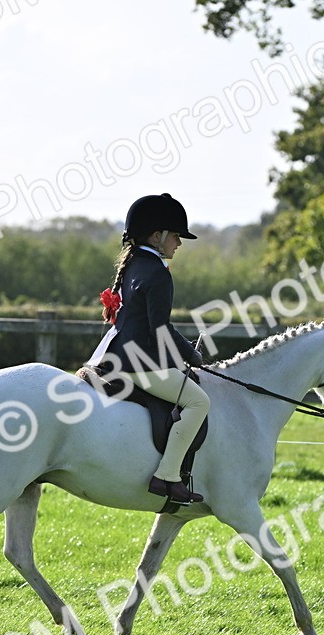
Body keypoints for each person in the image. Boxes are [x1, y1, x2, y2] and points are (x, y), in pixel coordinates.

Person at [88, 193, 210, 504]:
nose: (179, 244)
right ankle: (167, 475)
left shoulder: (134, 265)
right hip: (140, 364)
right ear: (157, 236)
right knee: (199, 402)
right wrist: (190, 354)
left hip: (115, 356)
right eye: (175, 237)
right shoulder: (157, 272)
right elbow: (160, 329)